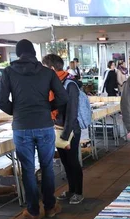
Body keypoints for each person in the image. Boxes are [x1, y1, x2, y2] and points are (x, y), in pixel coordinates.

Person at [0, 39, 68, 219]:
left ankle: (33, 211)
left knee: (27, 169)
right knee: (47, 167)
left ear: (18, 54)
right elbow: (63, 97)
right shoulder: (46, 73)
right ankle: (50, 207)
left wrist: (16, 111)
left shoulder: (9, 72)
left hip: (22, 127)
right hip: (44, 125)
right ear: (34, 53)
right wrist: (47, 108)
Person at [42, 54, 84, 205]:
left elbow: (72, 111)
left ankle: (78, 192)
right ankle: (71, 190)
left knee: (73, 161)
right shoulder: (54, 84)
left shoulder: (69, 84)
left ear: (51, 68)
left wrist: (66, 134)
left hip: (70, 130)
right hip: (58, 128)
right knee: (65, 162)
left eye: (44, 68)